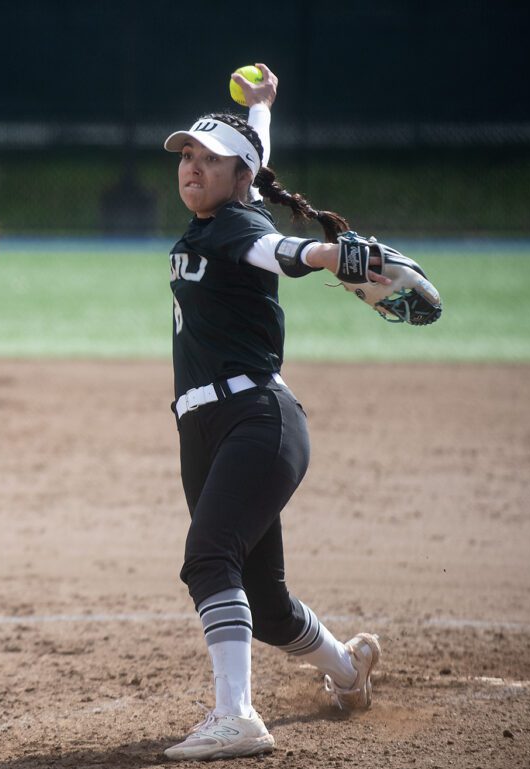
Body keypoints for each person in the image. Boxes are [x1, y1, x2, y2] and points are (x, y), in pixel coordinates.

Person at [160, 63, 385, 760]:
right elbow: (255, 167)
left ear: (237, 179)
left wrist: (326, 253)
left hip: (256, 421)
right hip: (207, 429)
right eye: (188, 156)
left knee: (208, 558)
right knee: (268, 603)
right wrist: (259, 109)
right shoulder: (237, 201)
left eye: (209, 160)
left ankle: (236, 715)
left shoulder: (232, 228)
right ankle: (349, 669)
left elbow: (277, 250)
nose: (193, 167)